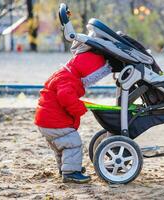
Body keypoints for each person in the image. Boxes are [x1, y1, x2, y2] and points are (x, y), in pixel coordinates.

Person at [34, 41, 111, 183]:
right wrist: (80, 108)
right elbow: (65, 96)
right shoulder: (68, 79)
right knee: (72, 143)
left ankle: (65, 168)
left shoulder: (64, 73)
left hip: (45, 120)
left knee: (61, 148)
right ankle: (70, 173)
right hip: (54, 122)